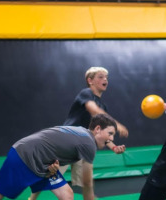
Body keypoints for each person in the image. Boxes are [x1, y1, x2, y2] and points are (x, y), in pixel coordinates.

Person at [30, 66, 128, 200]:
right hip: (66, 142)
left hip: (84, 146)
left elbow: (102, 134)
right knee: (49, 174)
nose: (105, 79)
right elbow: (92, 110)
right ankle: (32, 199)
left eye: (106, 77)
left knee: (87, 183)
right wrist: (116, 124)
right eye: (100, 77)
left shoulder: (103, 107)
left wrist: (114, 147)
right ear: (90, 80)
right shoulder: (86, 93)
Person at [0, 114, 117, 200]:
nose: (111, 138)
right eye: (109, 133)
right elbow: (86, 179)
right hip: (24, 157)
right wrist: (89, 197)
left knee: (67, 195)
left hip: (44, 164)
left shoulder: (81, 133)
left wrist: (54, 167)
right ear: (97, 129)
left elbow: (56, 147)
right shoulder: (89, 144)